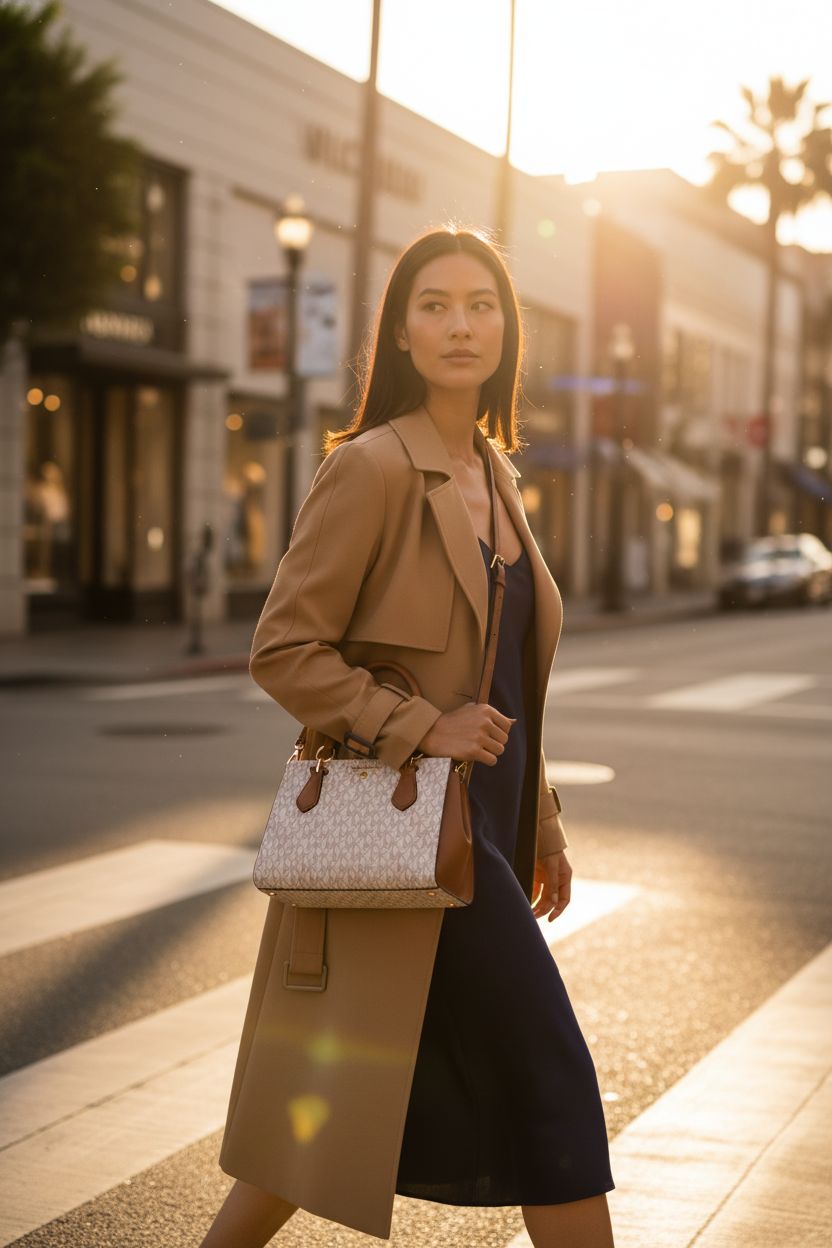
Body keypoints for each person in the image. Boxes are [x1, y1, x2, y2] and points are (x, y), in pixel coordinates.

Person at [200, 224, 616, 1247]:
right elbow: (283, 650)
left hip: (488, 845)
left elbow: (503, 677)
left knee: (329, 1106)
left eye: (481, 303)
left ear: (506, 331)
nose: (459, 323)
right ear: (398, 334)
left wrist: (547, 826)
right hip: (419, 844)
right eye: (432, 304)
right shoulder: (374, 468)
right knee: (551, 1085)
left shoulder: (499, 480)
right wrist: (421, 723)